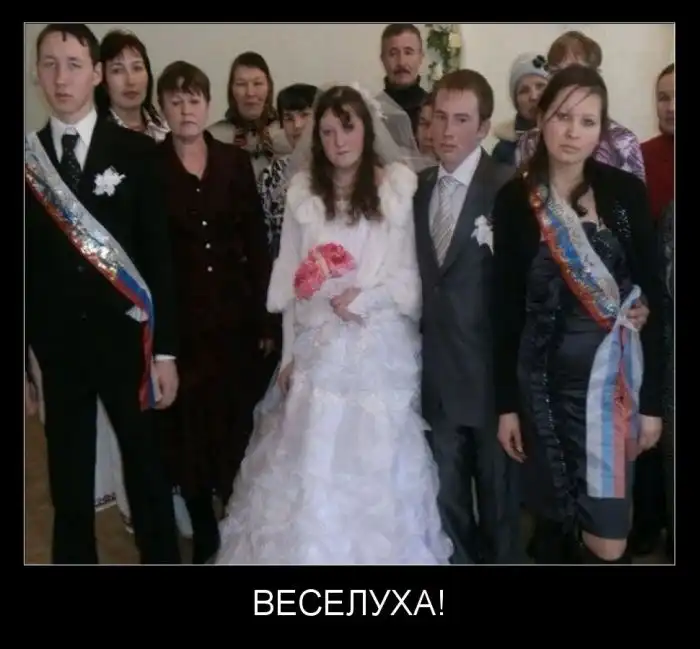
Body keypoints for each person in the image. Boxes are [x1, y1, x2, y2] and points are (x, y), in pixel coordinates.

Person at [215, 83, 452, 565]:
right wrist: (288, 356)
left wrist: (365, 298)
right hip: (317, 346)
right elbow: (288, 278)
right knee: (311, 463)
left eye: (347, 128)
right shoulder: (304, 194)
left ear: (366, 129)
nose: (338, 140)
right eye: (326, 131)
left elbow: (407, 277)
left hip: (377, 346)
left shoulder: (395, 189)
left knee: (376, 467)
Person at [492, 65, 664, 564]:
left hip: (612, 394)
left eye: (587, 122)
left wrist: (652, 405)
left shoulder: (625, 194)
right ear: (541, 117)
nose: (572, 132)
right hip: (541, 392)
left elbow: (655, 299)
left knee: (609, 539)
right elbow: (504, 309)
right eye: (562, 117)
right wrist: (507, 405)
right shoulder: (514, 200)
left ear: (601, 129)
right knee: (555, 524)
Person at [25, 23, 180, 564]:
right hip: (57, 351)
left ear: (95, 73)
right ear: (36, 74)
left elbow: (160, 256)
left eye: (73, 64)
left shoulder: (137, 153)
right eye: (49, 64)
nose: (60, 78)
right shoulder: (29, 159)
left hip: (128, 345)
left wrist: (166, 352)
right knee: (68, 483)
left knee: (146, 472)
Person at [153, 60, 275, 563]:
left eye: (194, 99)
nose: (186, 109)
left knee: (236, 423)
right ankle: (202, 523)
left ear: (207, 104)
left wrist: (267, 316)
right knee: (189, 432)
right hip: (180, 325)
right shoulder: (150, 166)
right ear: (162, 107)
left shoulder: (232, 161)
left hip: (235, 318)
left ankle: (237, 515)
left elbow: (255, 241)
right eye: (176, 100)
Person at [412, 69, 522, 564]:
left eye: (461, 120)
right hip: (436, 375)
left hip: (490, 377)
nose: (447, 131)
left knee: (500, 505)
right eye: (439, 118)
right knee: (448, 504)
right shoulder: (416, 189)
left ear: (483, 127)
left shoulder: (509, 188)